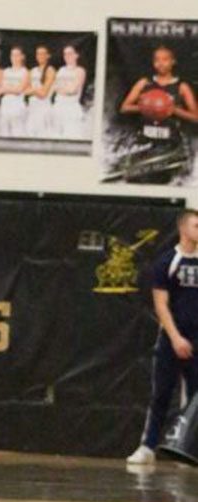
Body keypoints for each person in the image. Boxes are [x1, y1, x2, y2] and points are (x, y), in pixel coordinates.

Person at [128, 210, 198, 465]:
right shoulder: (167, 262)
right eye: (196, 225)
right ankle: (148, 446)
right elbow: (161, 305)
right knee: (162, 394)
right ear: (183, 228)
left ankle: (188, 449)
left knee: (196, 399)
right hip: (172, 339)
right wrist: (176, 337)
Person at [119, 45, 198, 183]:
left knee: (164, 180)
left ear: (173, 61)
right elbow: (124, 108)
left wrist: (174, 110)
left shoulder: (181, 87)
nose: (160, 63)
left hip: (169, 144)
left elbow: (195, 117)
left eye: (165, 59)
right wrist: (147, 106)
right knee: (138, 180)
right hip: (145, 141)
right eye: (157, 60)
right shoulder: (144, 83)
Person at [52, 45, 86, 139]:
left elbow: (72, 90)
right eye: (65, 54)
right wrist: (63, 88)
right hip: (58, 107)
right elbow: (54, 87)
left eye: (70, 53)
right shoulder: (61, 70)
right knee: (55, 137)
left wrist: (61, 88)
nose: (67, 56)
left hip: (71, 109)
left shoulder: (80, 71)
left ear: (76, 55)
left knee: (71, 137)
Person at [25, 44, 56, 138]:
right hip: (32, 107)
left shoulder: (50, 70)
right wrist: (36, 90)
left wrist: (33, 90)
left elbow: (44, 93)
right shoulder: (32, 71)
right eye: (38, 54)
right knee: (29, 133)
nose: (40, 56)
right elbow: (25, 91)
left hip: (44, 108)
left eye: (43, 54)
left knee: (43, 135)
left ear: (48, 55)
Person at [0, 46, 30, 137]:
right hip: (5, 105)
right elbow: (1, 88)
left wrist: (8, 88)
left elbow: (20, 89)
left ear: (22, 57)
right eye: (12, 55)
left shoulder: (25, 71)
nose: (14, 58)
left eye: (17, 55)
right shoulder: (6, 71)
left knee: (18, 133)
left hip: (18, 105)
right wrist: (13, 88)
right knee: (4, 133)